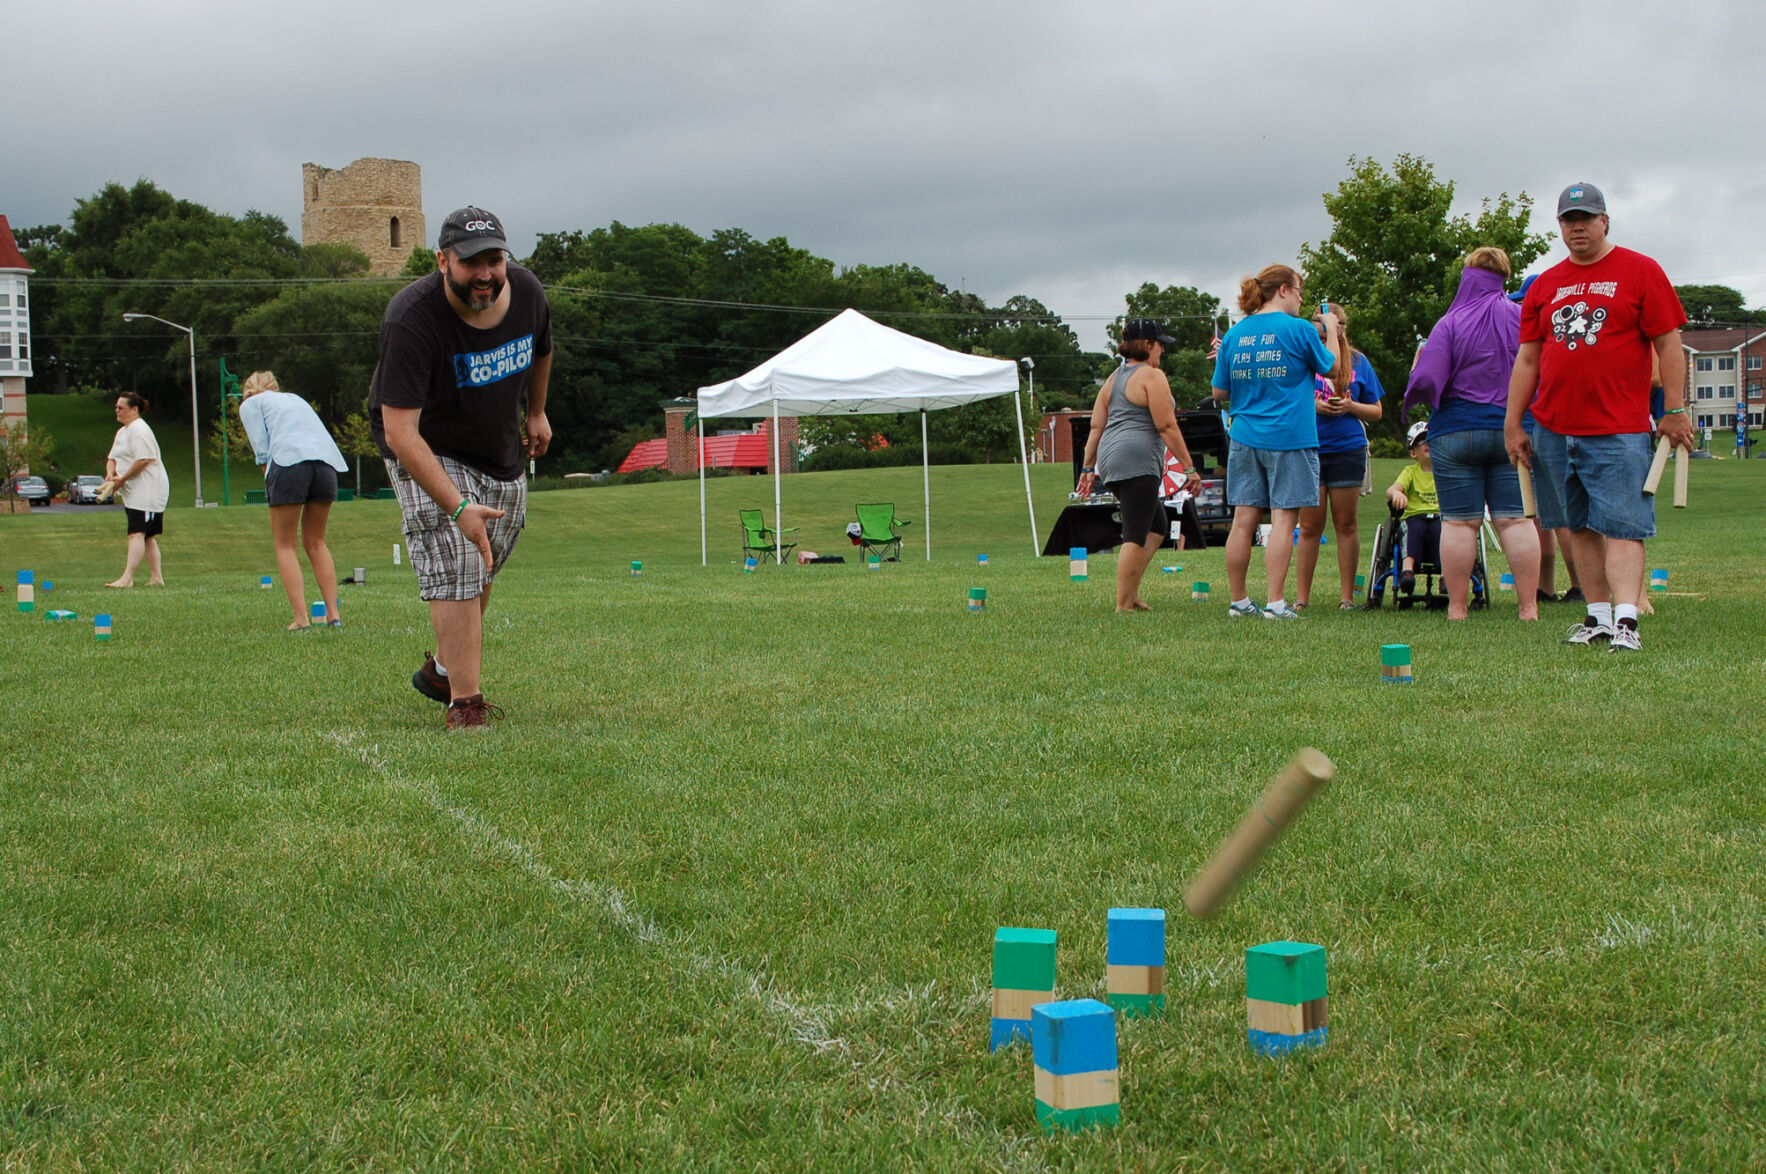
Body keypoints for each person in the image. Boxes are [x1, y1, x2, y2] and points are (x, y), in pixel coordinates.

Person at [369, 206, 553, 729]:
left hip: (495, 446)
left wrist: (536, 410)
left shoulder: (528, 293)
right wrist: (458, 506)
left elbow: (542, 348)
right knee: (458, 554)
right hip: (425, 443)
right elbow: (401, 432)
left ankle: (443, 670)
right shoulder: (412, 317)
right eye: (471, 263)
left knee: (487, 555)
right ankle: (465, 705)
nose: (485, 275)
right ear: (442, 261)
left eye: (494, 260)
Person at [1504, 182, 1691, 653]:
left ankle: (1627, 621)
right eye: (1569, 219)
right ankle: (1598, 616)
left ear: (1605, 221)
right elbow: (1527, 360)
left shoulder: (1641, 270)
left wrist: (1674, 408)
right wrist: (1514, 424)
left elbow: (1669, 345)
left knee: (1625, 525)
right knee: (1579, 525)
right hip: (1553, 428)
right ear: (1560, 226)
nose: (1578, 226)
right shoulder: (1544, 284)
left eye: (1586, 217)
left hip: (1618, 428)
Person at [1405, 247, 1540, 620]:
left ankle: (1458, 609)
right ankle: (1528, 608)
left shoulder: (1449, 323)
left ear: (1468, 275)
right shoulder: (1521, 317)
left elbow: (1427, 377)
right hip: (1511, 429)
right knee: (1515, 520)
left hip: (1454, 431)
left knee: (1460, 522)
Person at [1210, 264, 1339, 619]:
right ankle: (1276, 603)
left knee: (1242, 520)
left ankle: (1238, 601)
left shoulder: (1236, 334)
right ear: (1283, 289)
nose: (1300, 298)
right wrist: (1331, 332)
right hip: (1289, 437)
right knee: (1284, 520)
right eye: (1298, 290)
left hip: (1244, 437)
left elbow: (1219, 390)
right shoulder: (1299, 329)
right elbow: (1332, 370)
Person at [1075, 319, 1203, 612]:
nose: (1162, 351)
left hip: (1111, 461)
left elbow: (1096, 427)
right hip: (1137, 460)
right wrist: (1189, 467)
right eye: (1160, 345)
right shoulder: (1152, 376)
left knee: (1157, 525)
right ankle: (1123, 604)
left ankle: (1130, 592)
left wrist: (1088, 469)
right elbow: (1167, 425)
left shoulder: (1113, 379)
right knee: (1134, 533)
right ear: (1147, 345)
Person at [238, 370, 350, 630]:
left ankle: (301, 619)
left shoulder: (251, 404)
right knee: (316, 542)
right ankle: (334, 616)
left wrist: (272, 483)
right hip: (325, 465)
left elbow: (262, 450)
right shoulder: (295, 399)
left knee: (285, 544)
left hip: (289, 464)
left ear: (248, 390)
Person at [1295, 302, 1383, 610]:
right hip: (1311, 448)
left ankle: (1347, 597)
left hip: (1348, 447)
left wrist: (1350, 407)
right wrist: (1314, 406)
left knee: (1346, 524)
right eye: (1317, 331)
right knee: (1309, 526)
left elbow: (1376, 411)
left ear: (1341, 328)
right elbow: (1290, 399)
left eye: (1328, 329)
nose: (1322, 336)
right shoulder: (1304, 358)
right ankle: (1301, 599)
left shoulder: (1358, 361)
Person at [103, 392, 170, 588]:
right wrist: (110, 475)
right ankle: (157, 578)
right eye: (116, 407)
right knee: (146, 535)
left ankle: (127, 578)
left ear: (134, 409)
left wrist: (122, 479)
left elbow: (144, 459)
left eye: (120, 407)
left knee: (136, 532)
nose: (117, 410)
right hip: (133, 490)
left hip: (148, 489)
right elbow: (112, 458)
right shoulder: (123, 432)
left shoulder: (140, 430)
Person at [1386, 422, 1440, 590]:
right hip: (1415, 516)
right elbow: (1392, 489)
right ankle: (1407, 571)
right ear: (1412, 452)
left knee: (1445, 532)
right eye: (1421, 441)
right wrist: (1397, 494)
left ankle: (1446, 575)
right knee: (1412, 529)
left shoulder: (1445, 471)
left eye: (1431, 439)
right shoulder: (1410, 472)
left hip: (1440, 516)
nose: (1427, 443)